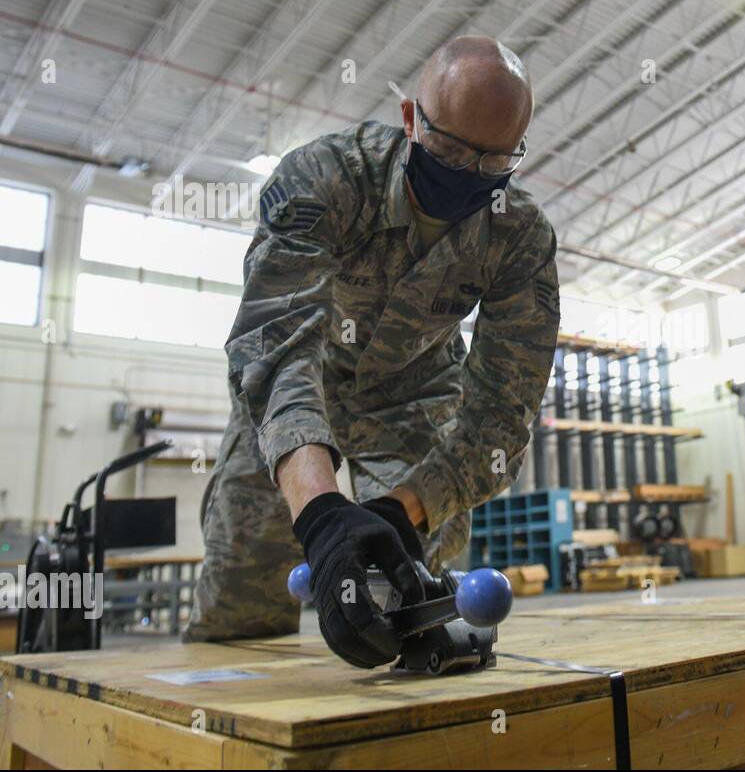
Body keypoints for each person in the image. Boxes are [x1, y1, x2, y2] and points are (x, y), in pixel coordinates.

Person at [184, 36, 560, 668]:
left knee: (414, 600)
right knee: (241, 594)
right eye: (448, 149)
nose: (467, 174)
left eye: (493, 163)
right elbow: (276, 345)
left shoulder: (518, 236)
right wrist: (324, 517)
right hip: (300, 395)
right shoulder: (325, 178)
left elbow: (502, 412)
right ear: (411, 118)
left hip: (413, 399)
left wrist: (402, 508)